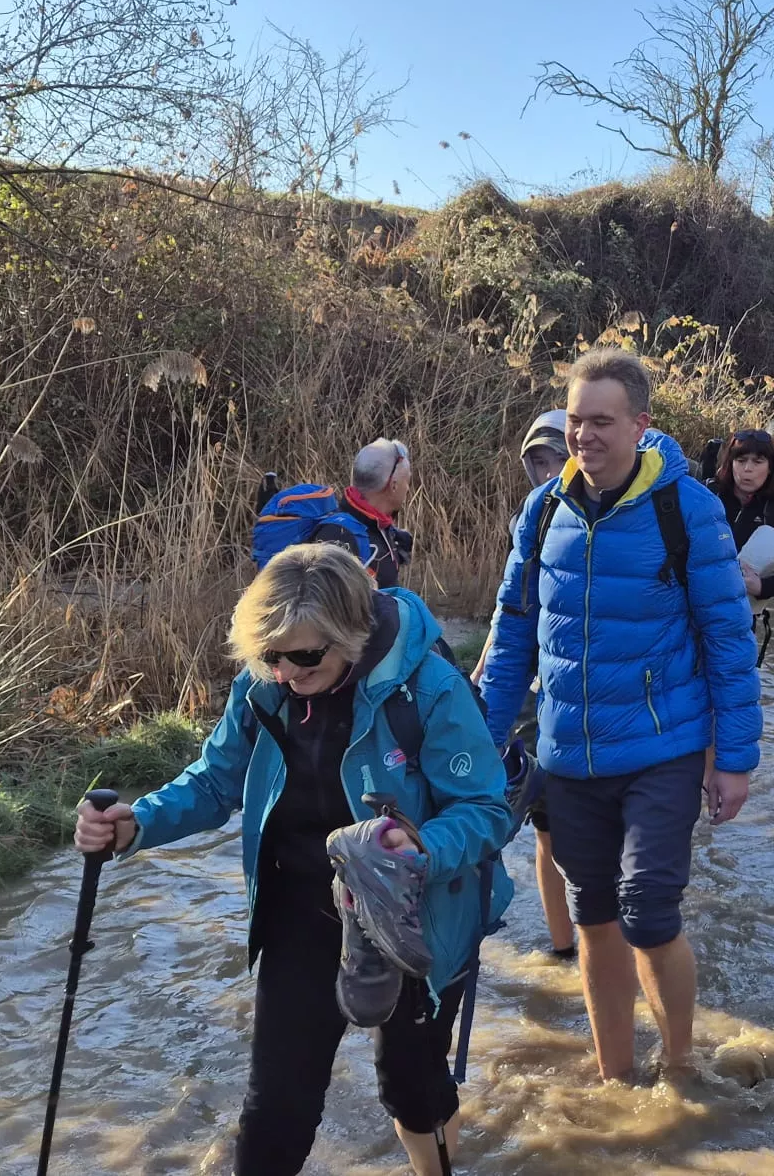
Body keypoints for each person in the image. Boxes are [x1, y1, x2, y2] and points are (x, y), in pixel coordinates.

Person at [75, 544, 508, 1176]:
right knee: (276, 1104)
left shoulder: (430, 688)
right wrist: (137, 822)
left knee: (412, 1091)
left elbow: (485, 810)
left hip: (417, 913)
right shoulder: (265, 684)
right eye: (270, 654)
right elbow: (215, 781)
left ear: (352, 636)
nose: (285, 671)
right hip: (300, 911)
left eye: (305, 656)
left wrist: (420, 849)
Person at [479, 348, 762, 1083]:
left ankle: (678, 1069)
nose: (583, 437)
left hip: (663, 746)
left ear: (640, 424)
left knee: (647, 910)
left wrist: (734, 760)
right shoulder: (541, 514)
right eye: (574, 421)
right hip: (569, 754)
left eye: (601, 422)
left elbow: (729, 641)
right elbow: (511, 640)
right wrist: (478, 749)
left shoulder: (686, 510)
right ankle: (615, 1076)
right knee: (593, 916)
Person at [511, 410, 578, 960]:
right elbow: (511, 618)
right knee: (546, 828)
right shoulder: (532, 519)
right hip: (541, 698)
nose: (550, 469)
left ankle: (616, 939)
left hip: (603, 703)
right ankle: (563, 948)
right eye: (539, 461)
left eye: (558, 456)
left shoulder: (627, 513)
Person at [714, 428, 774, 600]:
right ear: (730, 463)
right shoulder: (708, 498)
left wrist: (762, 587)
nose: (748, 469)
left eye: (758, 462)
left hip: (742, 613)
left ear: (771, 468)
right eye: (741, 460)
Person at [320, 438, 417, 587]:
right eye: (407, 481)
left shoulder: (375, 524)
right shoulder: (340, 538)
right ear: (394, 486)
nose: (408, 489)